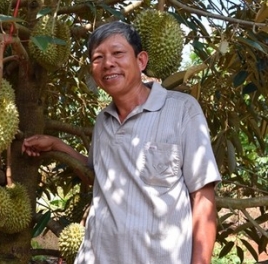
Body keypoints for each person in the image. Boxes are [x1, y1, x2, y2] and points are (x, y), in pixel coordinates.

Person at [22, 21, 221, 264]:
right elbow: (98, 175)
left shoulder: (182, 110)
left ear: (141, 61)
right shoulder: (103, 121)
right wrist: (56, 145)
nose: (108, 63)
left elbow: (202, 194)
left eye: (118, 53)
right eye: (98, 58)